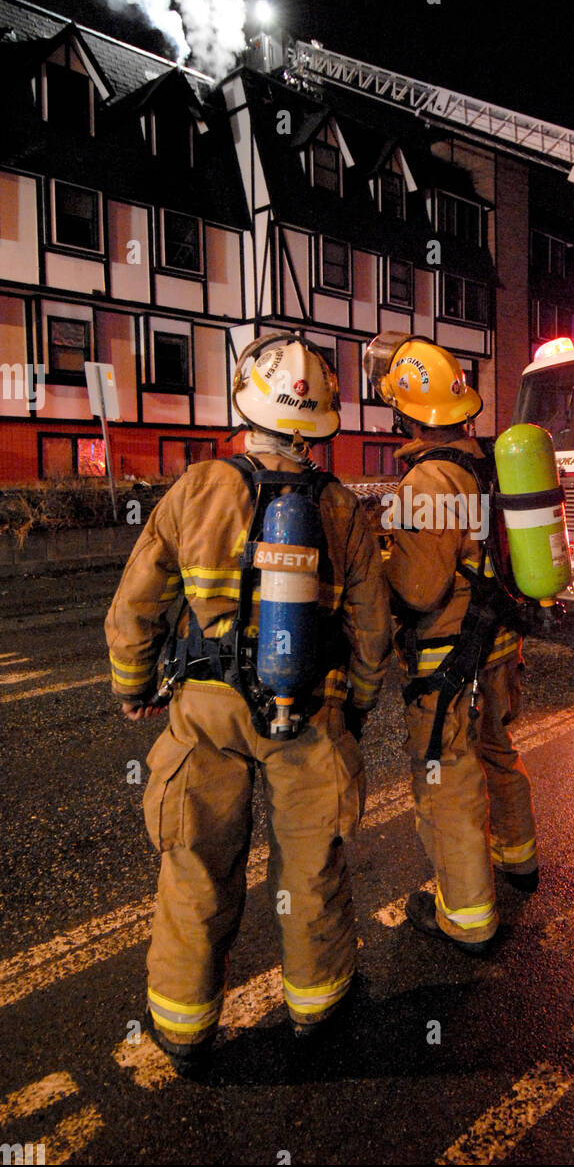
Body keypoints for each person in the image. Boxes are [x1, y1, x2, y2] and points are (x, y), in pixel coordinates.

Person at [105, 334, 392, 1076]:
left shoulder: (197, 489)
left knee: (196, 866)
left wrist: (134, 685)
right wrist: (354, 704)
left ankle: (182, 1026)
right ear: (318, 422)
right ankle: (319, 1007)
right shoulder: (341, 509)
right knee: (312, 867)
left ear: (247, 408)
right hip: (310, 713)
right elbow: (372, 628)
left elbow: (137, 606)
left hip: (205, 713)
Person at [364, 332, 538, 957]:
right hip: (500, 642)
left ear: (407, 413)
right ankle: (518, 861)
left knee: (447, 778)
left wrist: (376, 557)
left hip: (448, 658)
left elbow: (415, 588)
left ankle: (467, 917)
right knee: (498, 748)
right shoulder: (487, 463)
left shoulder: (427, 483)